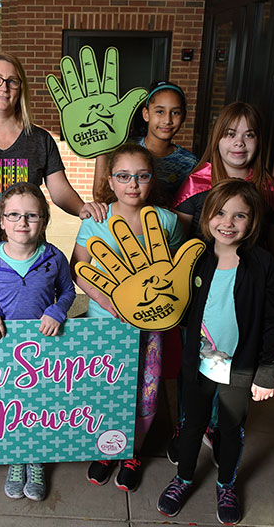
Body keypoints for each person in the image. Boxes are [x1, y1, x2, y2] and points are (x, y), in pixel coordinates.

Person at [169, 102, 274, 463]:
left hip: (245, 300)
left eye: (249, 135)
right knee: (194, 368)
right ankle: (187, 424)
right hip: (200, 297)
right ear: (217, 138)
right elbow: (177, 241)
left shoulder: (267, 188)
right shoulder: (196, 182)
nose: (238, 143)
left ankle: (218, 425)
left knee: (235, 368)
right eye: (230, 134)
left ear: (259, 141)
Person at [157, 178, 274, 525]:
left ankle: (226, 483)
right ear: (208, 216)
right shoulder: (195, 256)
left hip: (240, 368)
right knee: (192, 424)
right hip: (197, 363)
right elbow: (179, 304)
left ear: (253, 221)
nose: (227, 223)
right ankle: (183, 477)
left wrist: (266, 371)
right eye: (220, 213)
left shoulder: (262, 265)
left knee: (230, 429)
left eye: (239, 216)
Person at [70, 143, 185, 491]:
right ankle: (107, 447)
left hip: (151, 327)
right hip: (105, 324)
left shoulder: (166, 221)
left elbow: (177, 270)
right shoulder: (97, 220)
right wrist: (106, 303)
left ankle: (133, 451)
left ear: (152, 179)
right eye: (123, 176)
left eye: (141, 176)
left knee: (145, 391)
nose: (132, 184)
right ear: (111, 179)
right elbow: (78, 270)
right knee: (105, 388)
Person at [0, 51, 108, 251]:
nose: (4, 87)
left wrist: (81, 208)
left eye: (12, 81)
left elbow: (59, 191)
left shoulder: (40, 139)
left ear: (20, 88)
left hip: (29, 251)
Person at [0, 182, 76, 501]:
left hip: (44, 348)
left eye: (32, 215)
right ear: (2, 221)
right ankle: (16, 460)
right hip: (4, 347)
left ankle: (36, 460)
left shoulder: (54, 257)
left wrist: (57, 310)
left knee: (38, 404)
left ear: (44, 222)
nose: (22, 222)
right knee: (11, 404)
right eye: (14, 215)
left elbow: (69, 292)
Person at [94, 80, 198, 201]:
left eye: (175, 112)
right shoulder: (124, 150)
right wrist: (100, 150)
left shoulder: (189, 163)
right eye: (160, 112)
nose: (167, 120)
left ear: (184, 116)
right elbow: (100, 197)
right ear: (146, 114)